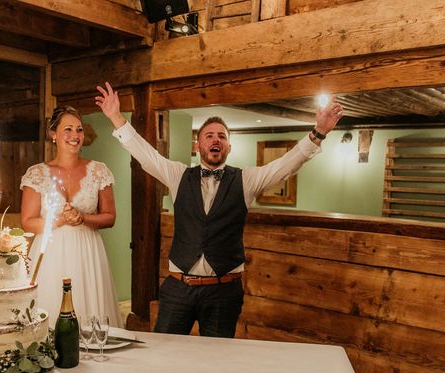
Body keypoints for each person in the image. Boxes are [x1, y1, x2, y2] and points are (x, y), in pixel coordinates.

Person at [95, 82, 343, 338]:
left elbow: (285, 165)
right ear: (198, 145)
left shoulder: (246, 180)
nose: (216, 140)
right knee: (163, 357)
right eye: (209, 136)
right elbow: (145, 154)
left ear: (229, 147)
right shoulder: (178, 175)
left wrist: (319, 133)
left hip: (223, 292)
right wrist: (115, 117)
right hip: (179, 289)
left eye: (222, 136)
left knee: (218, 365)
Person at [20, 106, 123, 328]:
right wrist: (60, 220)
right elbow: (27, 222)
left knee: (90, 313)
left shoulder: (98, 170)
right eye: (68, 129)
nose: (75, 136)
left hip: (87, 252)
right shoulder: (36, 173)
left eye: (79, 130)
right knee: (48, 315)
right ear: (53, 134)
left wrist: (82, 218)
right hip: (48, 254)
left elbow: (110, 217)